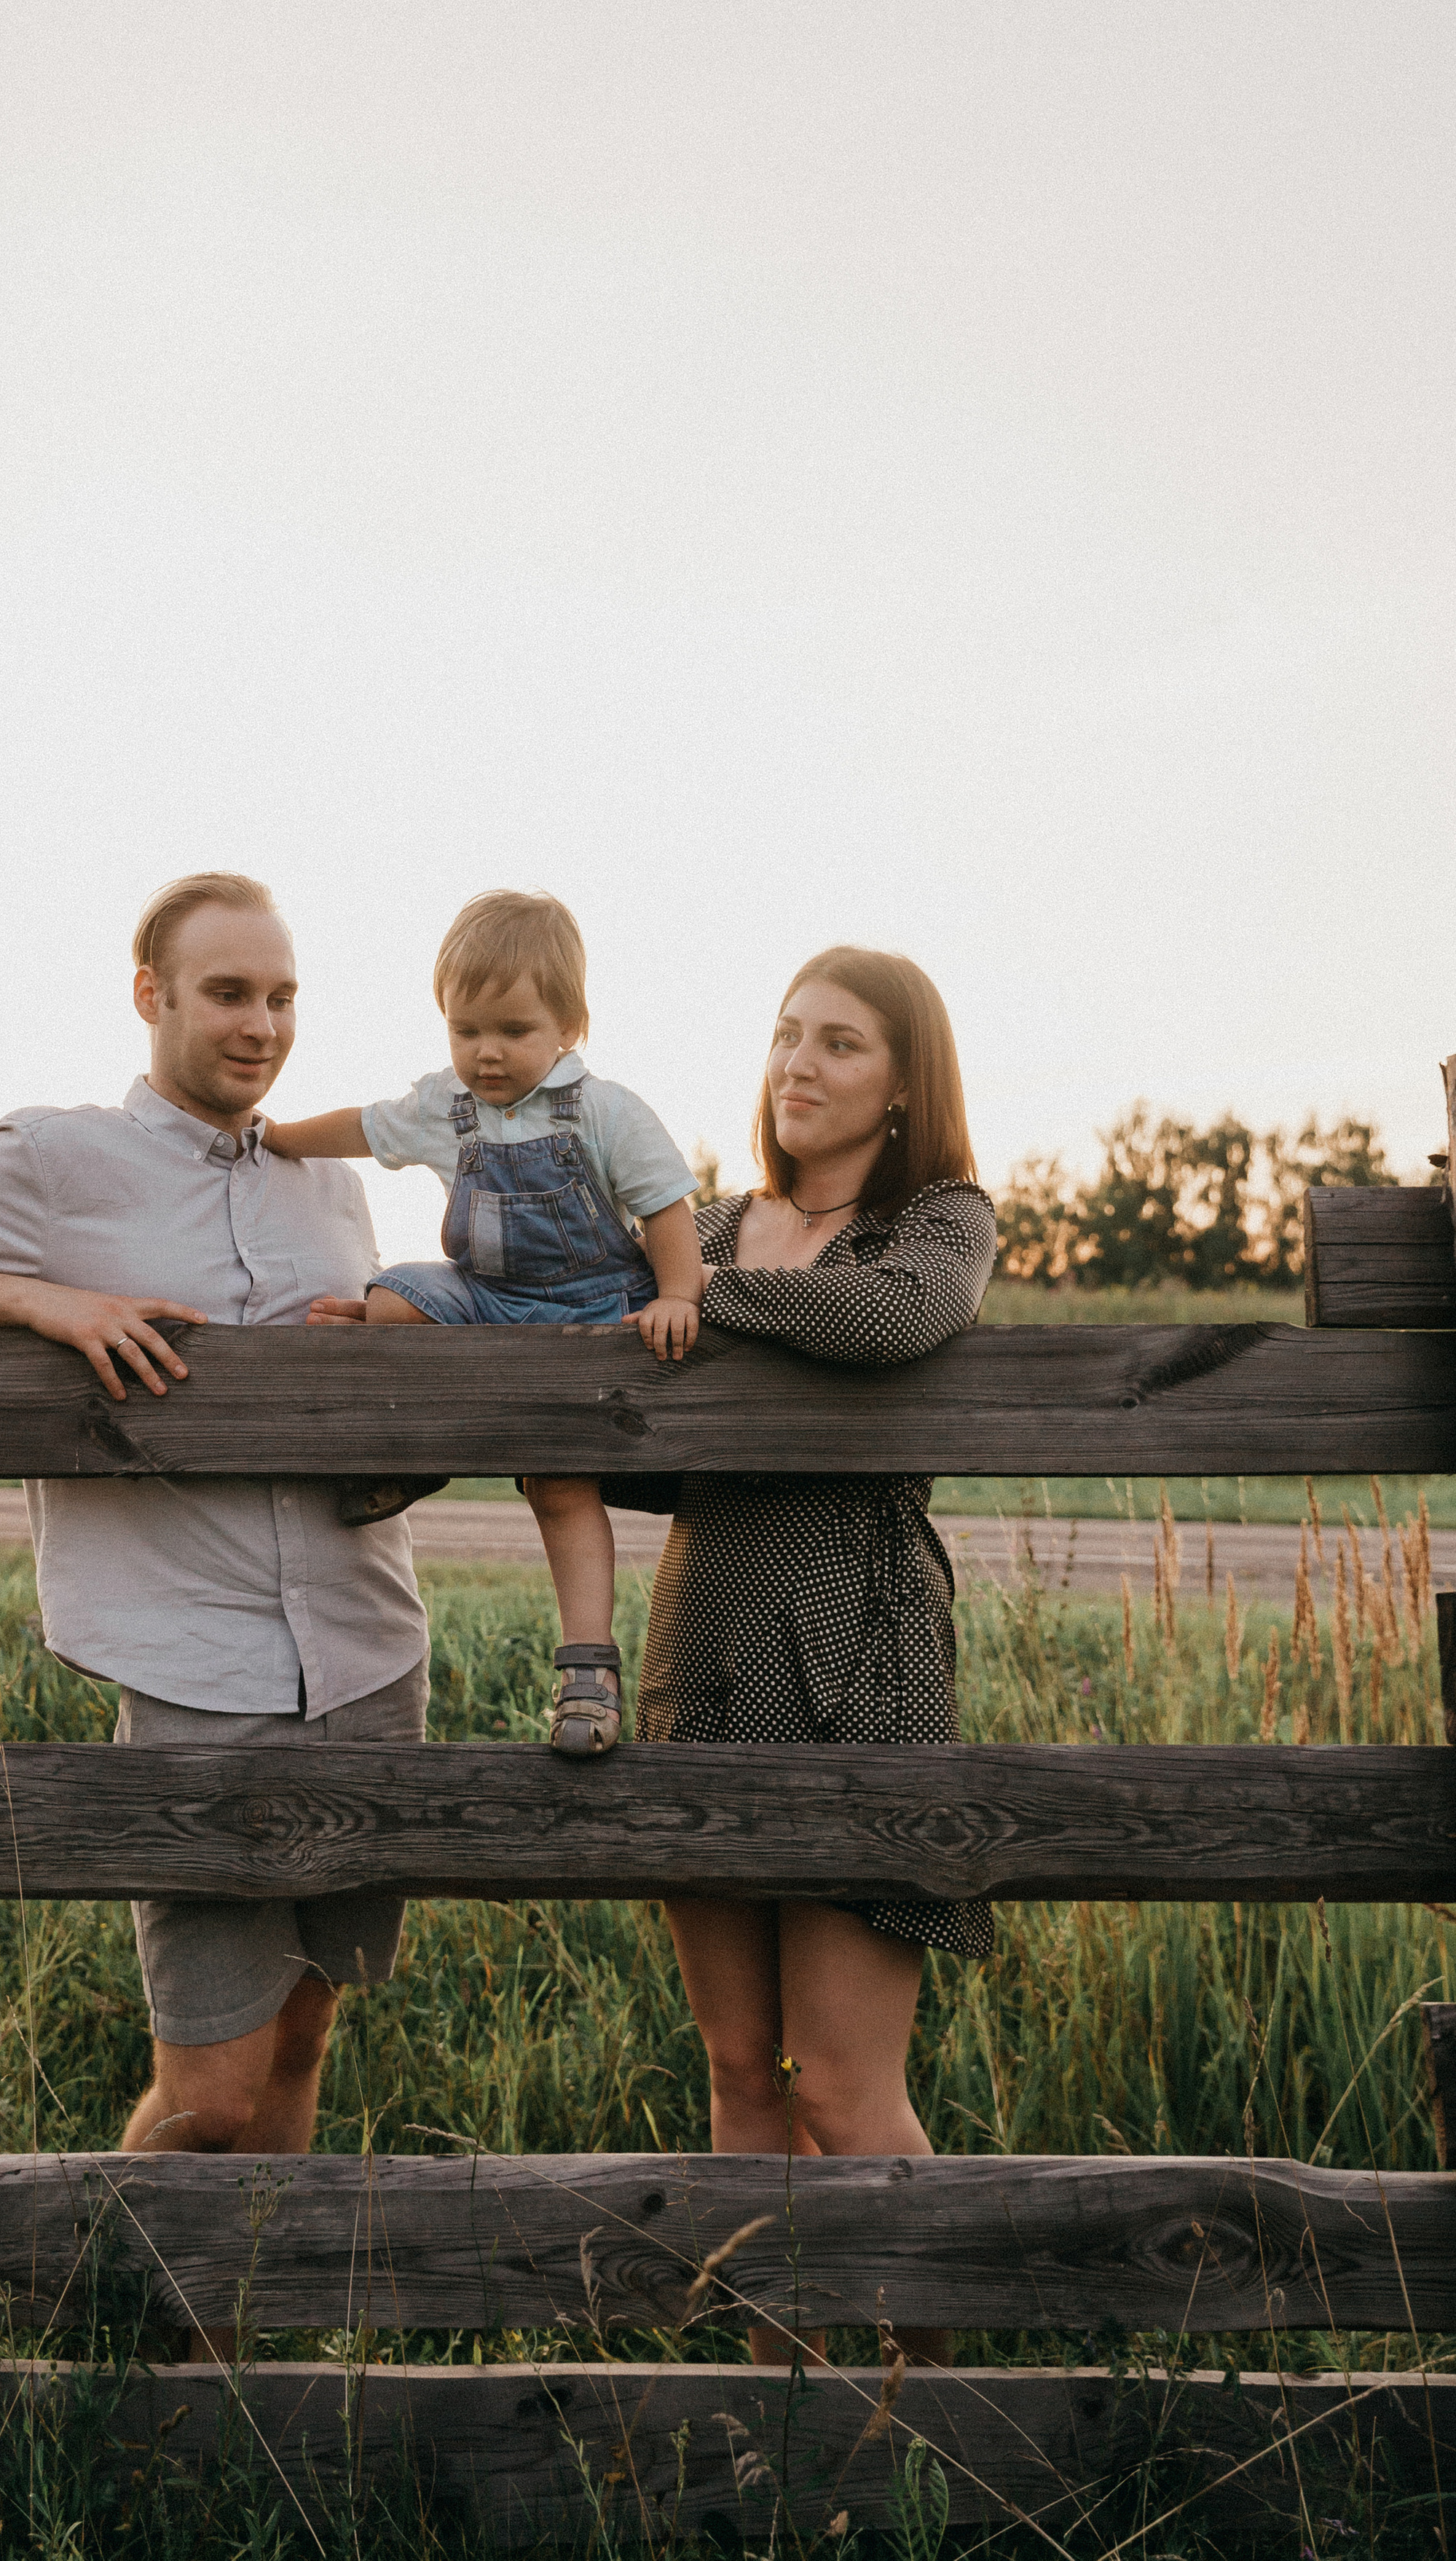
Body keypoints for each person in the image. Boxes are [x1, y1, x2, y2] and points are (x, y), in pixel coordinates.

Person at [0, 870, 431, 2190]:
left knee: (306, 2043)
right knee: (212, 2100)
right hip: (195, 1669)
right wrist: (40, 1303)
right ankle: (125, 2355)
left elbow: (379, 1378)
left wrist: (387, 1339)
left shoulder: (327, 1180)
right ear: (152, 996)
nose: (261, 1025)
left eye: (284, 997)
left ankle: (235, 2362)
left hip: (370, 1652)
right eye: (229, 994)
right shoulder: (57, 1158)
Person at [628, 945, 995, 2367]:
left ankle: (933, 2411)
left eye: (839, 1043)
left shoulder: (934, 1220)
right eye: (786, 1035)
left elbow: (896, 1320)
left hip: (858, 1666)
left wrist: (701, 1308)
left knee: (841, 2090)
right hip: (705, 1654)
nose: (798, 1063)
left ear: (902, 1085)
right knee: (738, 2074)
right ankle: (779, 2415)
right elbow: (598, 1371)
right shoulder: (709, 1222)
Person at [265, 889, 704, 1757]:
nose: (486, 1053)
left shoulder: (604, 1111)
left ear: (569, 1024)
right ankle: (424, 1458)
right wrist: (274, 1138)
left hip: (589, 1310)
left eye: (511, 1030)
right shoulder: (445, 1108)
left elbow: (666, 1207)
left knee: (560, 1485)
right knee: (390, 1301)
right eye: (466, 1031)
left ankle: (587, 1667)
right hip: (490, 1300)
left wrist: (678, 1295)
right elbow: (361, 1126)